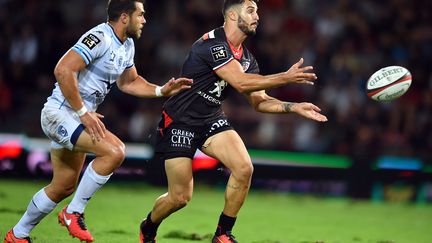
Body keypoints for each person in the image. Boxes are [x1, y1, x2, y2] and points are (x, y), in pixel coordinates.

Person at [139, 0, 328, 242]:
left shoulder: (247, 58)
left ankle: (222, 234)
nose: (257, 16)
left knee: (244, 167)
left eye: (257, 11)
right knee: (180, 198)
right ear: (231, 14)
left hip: (210, 119)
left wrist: (293, 107)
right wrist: (286, 77)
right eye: (250, 11)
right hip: (179, 121)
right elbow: (239, 82)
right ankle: (148, 227)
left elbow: (259, 101)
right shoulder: (211, 45)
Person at [4, 1, 192, 243]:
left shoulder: (127, 45)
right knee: (115, 152)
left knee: (63, 186)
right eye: (141, 15)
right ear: (124, 17)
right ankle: (74, 212)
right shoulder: (99, 37)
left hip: (77, 117)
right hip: (60, 114)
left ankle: (17, 235)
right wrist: (82, 111)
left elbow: (129, 82)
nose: (144, 20)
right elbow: (63, 70)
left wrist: (160, 91)